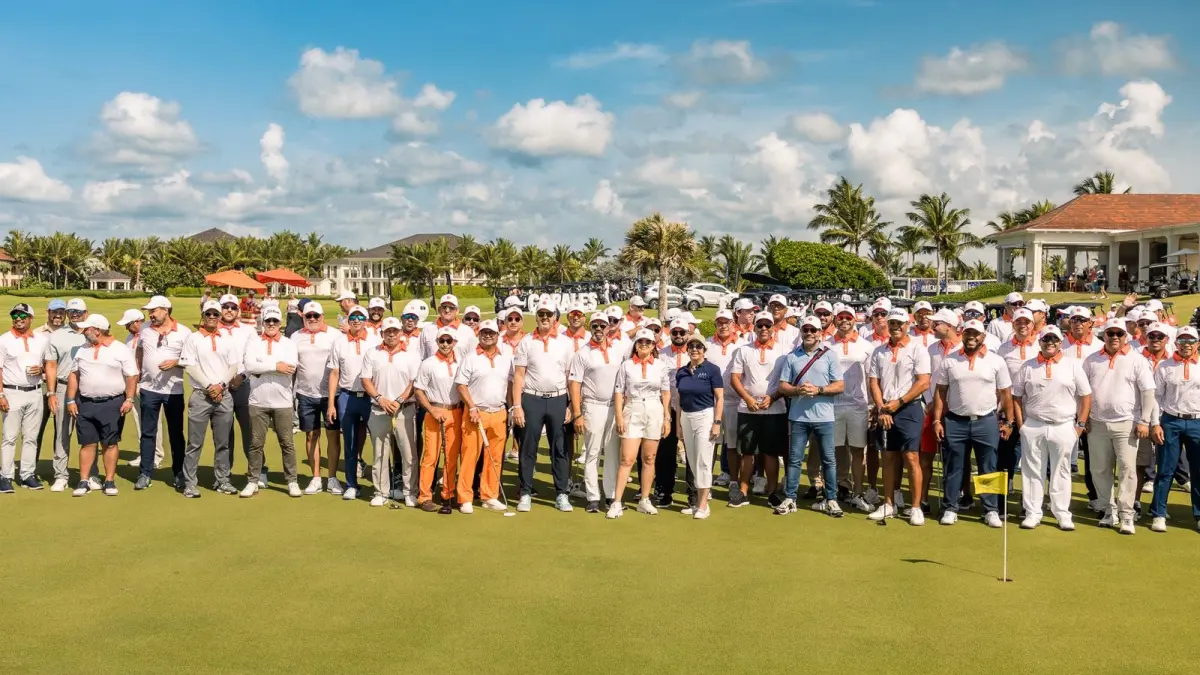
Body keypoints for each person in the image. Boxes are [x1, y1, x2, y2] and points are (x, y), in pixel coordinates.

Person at [931, 318, 1013, 527]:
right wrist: (937, 420)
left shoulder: (996, 361)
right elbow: (940, 393)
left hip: (986, 420)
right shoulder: (949, 361)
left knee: (988, 466)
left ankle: (990, 509)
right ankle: (950, 507)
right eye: (968, 333)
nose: (972, 338)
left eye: (976, 334)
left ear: (983, 337)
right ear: (962, 335)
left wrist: (1009, 422)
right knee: (954, 467)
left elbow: (1005, 393)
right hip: (956, 421)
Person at [1013, 326, 1091, 530]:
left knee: (1062, 471)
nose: (1050, 342)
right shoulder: (1028, 366)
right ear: (1039, 342)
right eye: (1046, 339)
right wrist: (1021, 425)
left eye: (1054, 339)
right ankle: (1032, 512)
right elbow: (1016, 397)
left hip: (1064, 425)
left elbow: (1086, 395)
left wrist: (1080, 425)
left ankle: (1062, 513)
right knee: (1032, 472)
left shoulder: (1072, 365)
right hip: (1034, 425)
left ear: (1060, 342)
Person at [1082, 318, 1156, 534]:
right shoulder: (1091, 360)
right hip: (1097, 423)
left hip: (1126, 424)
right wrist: (1083, 418)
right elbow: (1083, 392)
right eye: (1110, 333)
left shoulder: (1137, 359)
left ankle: (1126, 514)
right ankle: (1108, 510)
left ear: (1126, 337)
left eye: (1119, 334)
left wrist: (1144, 420)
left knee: (1127, 470)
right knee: (1099, 469)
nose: (1114, 337)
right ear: (1103, 335)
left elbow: (1148, 392)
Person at [776, 316, 845, 516]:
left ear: (819, 333)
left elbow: (839, 385)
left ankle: (830, 499)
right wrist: (798, 390)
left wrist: (819, 390)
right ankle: (790, 498)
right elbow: (783, 385)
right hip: (798, 417)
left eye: (813, 330)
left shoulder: (830, 355)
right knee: (795, 459)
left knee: (829, 460)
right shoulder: (792, 356)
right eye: (805, 329)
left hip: (824, 417)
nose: (809, 333)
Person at [868, 308, 932, 525]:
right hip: (885, 408)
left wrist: (899, 402)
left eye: (900, 323)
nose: (896, 327)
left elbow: (923, 382)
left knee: (911, 457)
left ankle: (915, 507)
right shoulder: (879, 351)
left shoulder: (917, 349)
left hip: (909, 407)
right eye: (892, 323)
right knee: (887, 456)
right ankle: (888, 504)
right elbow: (874, 382)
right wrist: (882, 408)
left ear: (908, 325)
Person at [512, 296, 574, 512]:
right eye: (541, 315)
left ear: (555, 317)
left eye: (549, 314)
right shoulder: (527, 341)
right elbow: (519, 376)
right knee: (528, 447)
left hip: (558, 398)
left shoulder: (566, 343)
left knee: (560, 448)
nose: (545, 318)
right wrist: (517, 405)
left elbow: (569, 377)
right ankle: (526, 492)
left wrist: (571, 406)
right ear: (536, 317)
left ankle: (561, 493)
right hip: (532, 398)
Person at [65, 315, 137, 497]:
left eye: (86, 329)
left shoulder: (120, 349)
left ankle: (109, 480)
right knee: (87, 443)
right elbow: (74, 374)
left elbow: (131, 376)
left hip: (112, 403)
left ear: (97, 330)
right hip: (86, 403)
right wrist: (71, 399)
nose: (83, 331)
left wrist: (129, 399)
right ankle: (83, 480)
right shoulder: (82, 349)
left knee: (110, 443)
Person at [178, 301, 239, 498]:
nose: (212, 316)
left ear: (220, 315)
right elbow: (190, 366)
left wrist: (220, 385)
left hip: (224, 395)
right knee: (195, 443)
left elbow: (233, 366)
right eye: (208, 313)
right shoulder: (193, 338)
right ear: (203, 315)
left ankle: (222, 480)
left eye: (215, 313)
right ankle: (190, 483)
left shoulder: (227, 338)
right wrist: (209, 386)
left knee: (223, 443)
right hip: (201, 396)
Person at [729, 311, 790, 507]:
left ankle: (772, 493)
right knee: (747, 452)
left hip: (775, 409)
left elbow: (786, 381)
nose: (764, 329)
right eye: (760, 325)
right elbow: (735, 378)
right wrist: (747, 398)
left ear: (773, 328)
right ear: (754, 327)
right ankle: (743, 491)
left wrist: (772, 398)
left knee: (771, 453)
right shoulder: (743, 350)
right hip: (748, 409)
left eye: (767, 325)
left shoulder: (783, 351)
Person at [609, 329, 672, 518]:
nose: (644, 345)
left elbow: (666, 392)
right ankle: (617, 502)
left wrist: (667, 416)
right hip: (633, 408)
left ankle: (645, 499)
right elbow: (619, 392)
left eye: (648, 342)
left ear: (654, 346)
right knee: (627, 458)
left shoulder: (660, 366)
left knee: (650, 458)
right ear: (635, 345)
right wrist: (619, 416)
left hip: (654, 409)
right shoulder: (626, 366)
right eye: (640, 342)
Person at [240, 305, 301, 498]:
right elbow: (249, 365)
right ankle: (253, 480)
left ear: (281, 323)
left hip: (282, 401)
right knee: (256, 443)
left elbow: (290, 367)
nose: (272, 324)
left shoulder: (288, 343)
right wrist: (275, 365)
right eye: (268, 321)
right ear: (263, 322)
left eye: (275, 321)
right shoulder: (253, 342)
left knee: (287, 443)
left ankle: (292, 481)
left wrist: (262, 367)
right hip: (258, 400)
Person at [361, 316, 421, 508]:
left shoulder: (411, 355)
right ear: (382, 333)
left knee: (408, 454)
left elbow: (414, 383)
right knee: (380, 453)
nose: (392, 334)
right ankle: (381, 492)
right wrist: (380, 398)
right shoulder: (372, 353)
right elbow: (366, 380)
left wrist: (399, 400)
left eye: (395, 331)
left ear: (401, 333)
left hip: (405, 409)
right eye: (388, 331)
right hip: (378, 409)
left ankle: (409, 492)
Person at [455, 319, 512, 513]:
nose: (488, 335)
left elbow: (510, 385)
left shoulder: (505, 358)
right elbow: (461, 385)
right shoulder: (470, 357)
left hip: (499, 412)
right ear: (479, 335)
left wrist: (511, 408)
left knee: (495, 457)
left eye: (492, 333)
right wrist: (471, 406)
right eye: (484, 332)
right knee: (470, 456)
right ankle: (465, 497)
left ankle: (490, 495)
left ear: (498, 335)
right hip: (476, 412)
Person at [133, 296, 190, 490]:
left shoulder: (184, 332)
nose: (151, 314)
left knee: (176, 433)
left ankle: (179, 473)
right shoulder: (145, 329)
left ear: (166, 310)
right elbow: (139, 351)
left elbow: (191, 359)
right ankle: (145, 473)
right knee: (148, 433)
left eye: (154, 310)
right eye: (150, 311)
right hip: (149, 389)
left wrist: (175, 362)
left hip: (174, 390)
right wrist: (139, 374)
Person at [568, 312, 623, 513]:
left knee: (612, 453)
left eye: (602, 326)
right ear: (590, 328)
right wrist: (577, 413)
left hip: (614, 407)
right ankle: (592, 497)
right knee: (592, 452)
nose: (599, 330)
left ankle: (610, 495)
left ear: (608, 328)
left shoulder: (618, 351)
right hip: (592, 406)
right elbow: (574, 384)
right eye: (595, 326)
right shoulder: (583, 353)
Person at [1149, 325, 1200, 533]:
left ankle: (1198, 514)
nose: (1186, 345)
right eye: (1182, 341)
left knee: (1198, 470)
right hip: (1171, 421)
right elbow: (1155, 398)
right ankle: (1159, 513)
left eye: (1190, 341)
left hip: (1197, 421)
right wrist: (1155, 423)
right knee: (1166, 470)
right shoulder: (1165, 366)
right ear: (1176, 343)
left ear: (1197, 344)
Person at [326, 304, 378, 501]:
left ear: (366, 321)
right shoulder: (339, 342)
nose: (356, 320)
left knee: (379, 442)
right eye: (352, 317)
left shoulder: (375, 341)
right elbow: (334, 373)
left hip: (371, 397)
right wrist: (331, 403)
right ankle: (351, 485)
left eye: (360, 317)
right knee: (350, 443)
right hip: (347, 396)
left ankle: (381, 486)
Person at [290, 301, 341, 494]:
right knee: (311, 435)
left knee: (333, 435)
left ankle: (333, 478)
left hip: (331, 395)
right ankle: (316, 477)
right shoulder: (295, 336)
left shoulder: (335, 335)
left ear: (322, 316)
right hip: (305, 394)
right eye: (308, 316)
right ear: (303, 316)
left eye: (316, 316)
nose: (312, 319)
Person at [826, 304, 873, 512]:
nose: (844, 320)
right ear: (836, 320)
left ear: (855, 320)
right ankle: (833, 492)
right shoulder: (826, 345)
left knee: (857, 451)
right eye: (841, 317)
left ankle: (857, 493)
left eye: (848, 317)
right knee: (834, 451)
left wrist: (873, 405)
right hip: (832, 404)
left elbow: (872, 377)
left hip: (858, 406)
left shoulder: (866, 345)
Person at [0, 303, 51, 493]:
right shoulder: (3, 340)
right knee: (9, 437)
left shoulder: (41, 340)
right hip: (11, 392)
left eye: (22, 315)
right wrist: (1, 394)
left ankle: (27, 474)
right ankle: (5, 476)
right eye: (15, 316)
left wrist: (43, 370)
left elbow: (49, 364)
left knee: (31, 437)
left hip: (36, 392)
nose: (18, 319)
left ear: (30, 318)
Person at [674, 332, 724, 519]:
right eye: (691, 346)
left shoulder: (712, 369)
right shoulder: (682, 371)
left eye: (698, 346)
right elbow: (679, 399)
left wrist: (717, 422)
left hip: (705, 416)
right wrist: (679, 423)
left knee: (703, 459)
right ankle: (697, 502)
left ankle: (703, 504)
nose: (694, 349)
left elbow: (719, 397)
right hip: (686, 416)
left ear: (704, 350)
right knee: (693, 461)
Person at [42, 298, 90, 492]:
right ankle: (60, 475)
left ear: (86, 313)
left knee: (89, 433)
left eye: (78, 312)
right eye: (71, 312)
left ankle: (91, 474)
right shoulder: (57, 336)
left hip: (88, 390)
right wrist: (51, 393)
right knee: (62, 432)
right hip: (62, 387)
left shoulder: (93, 332)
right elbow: (51, 365)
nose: (75, 315)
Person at [414, 326, 463, 513]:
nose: (445, 344)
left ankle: (448, 493)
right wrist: (432, 409)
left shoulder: (461, 363)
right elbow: (418, 390)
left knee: (451, 456)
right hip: (435, 411)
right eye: (442, 341)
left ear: (455, 343)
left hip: (456, 412)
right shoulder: (428, 363)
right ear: (436, 342)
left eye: (449, 341)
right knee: (430, 457)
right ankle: (424, 496)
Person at [117, 309, 164, 474]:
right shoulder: (129, 338)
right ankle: (145, 454)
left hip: (148, 385)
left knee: (152, 421)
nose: (126, 328)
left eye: (128, 324)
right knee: (139, 420)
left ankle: (156, 456)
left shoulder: (151, 335)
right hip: (133, 385)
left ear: (138, 322)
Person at [996, 308, 1037, 491]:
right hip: (1009, 407)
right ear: (1013, 324)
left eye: (1026, 322)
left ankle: (1029, 494)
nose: (1022, 325)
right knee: (1006, 448)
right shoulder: (1003, 349)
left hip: (1034, 407)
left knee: (1031, 451)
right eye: (1019, 322)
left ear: (1032, 325)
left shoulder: (1039, 346)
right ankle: (1008, 481)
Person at [654, 318, 691, 509]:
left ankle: (694, 493)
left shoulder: (694, 353)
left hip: (690, 408)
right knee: (665, 452)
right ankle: (664, 490)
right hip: (667, 408)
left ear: (687, 333)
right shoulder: (661, 354)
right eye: (674, 332)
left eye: (681, 333)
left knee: (692, 450)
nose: (678, 336)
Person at [707, 310, 741, 490]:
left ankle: (733, 480)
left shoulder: (742, 345)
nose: (723, 325)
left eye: (727, 322)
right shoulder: (706, 345)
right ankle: (705, 482)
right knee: (710, 443)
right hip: (711, 403)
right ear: (716, 325)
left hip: (734, 402)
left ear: (733, 323)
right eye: (719, 322)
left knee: (733, 444)